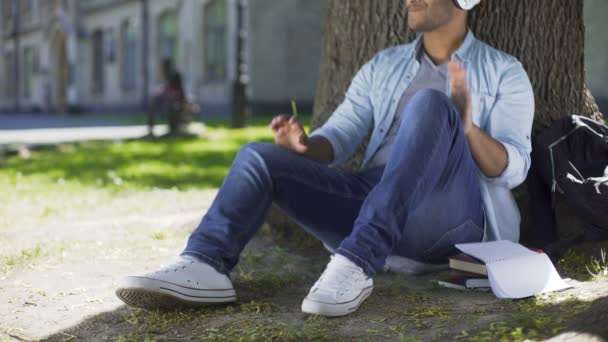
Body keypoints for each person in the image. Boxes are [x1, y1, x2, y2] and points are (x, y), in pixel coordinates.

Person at [116, 0, 534, 317]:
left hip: (447, 217)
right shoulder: (383, 66)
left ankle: (356, 261)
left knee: (431, 105)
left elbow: (513, 168)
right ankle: (204, 263)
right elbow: (339, 136)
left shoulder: (503, 70)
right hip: (374, 196)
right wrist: (304, 146)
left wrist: (466, 129)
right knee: (257, 157)